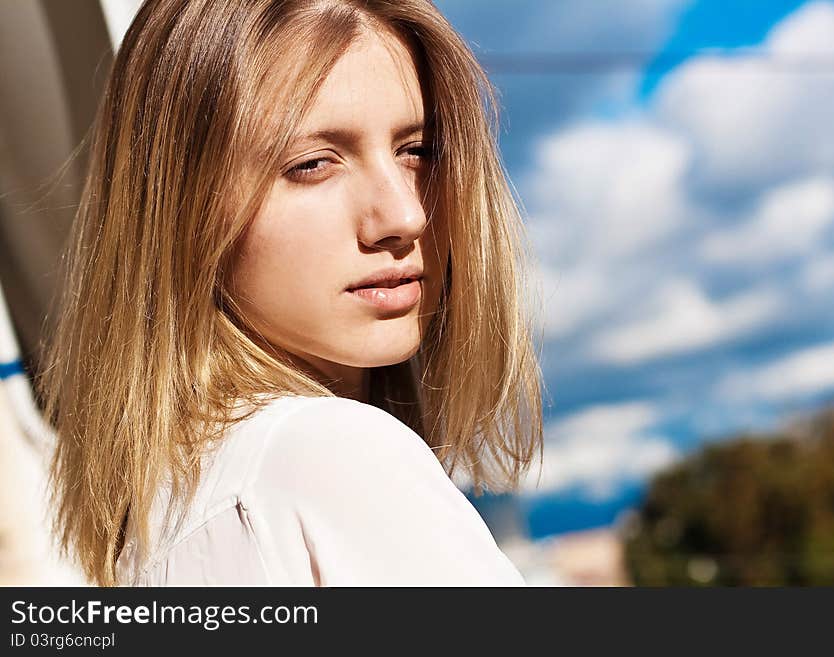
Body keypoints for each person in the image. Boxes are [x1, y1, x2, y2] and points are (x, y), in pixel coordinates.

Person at [38, 0, 545, 586]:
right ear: (177, 206)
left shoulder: (169, 515)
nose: (404, 215)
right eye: (311, 165)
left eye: (418, 151)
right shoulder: (329, 460)